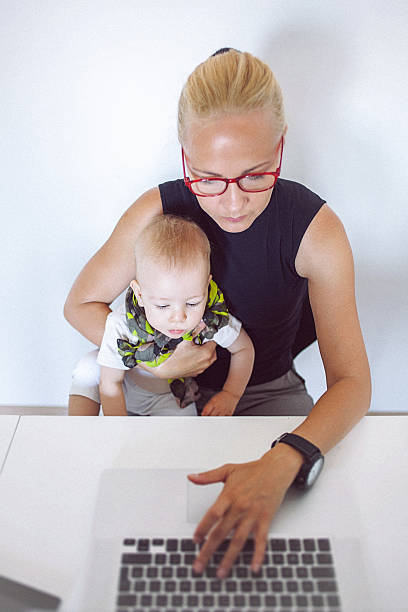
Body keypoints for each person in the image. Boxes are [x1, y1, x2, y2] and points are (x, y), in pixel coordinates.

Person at [64, 48, 371, 578]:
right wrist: (160, 367)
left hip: (266, 390)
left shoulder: (315, 230)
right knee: (130, 531)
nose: (231, 204)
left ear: (280, 146)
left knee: (296, 540)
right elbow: (80, 305)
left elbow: (353, 382)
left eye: (255, 176)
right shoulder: (156, 211)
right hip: (159, 391)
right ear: (184, 157)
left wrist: (286, 457)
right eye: (206, 178)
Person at [97, 214, 254, 416]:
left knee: (184, 438)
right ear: (140, 294)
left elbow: (244, 349)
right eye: (163, 305)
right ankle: (78, 432)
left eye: (192, 302)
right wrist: (119, 434)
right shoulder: (121, 324)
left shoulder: (209, 320)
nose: (179, 317)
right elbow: (110, 385)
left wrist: (230, 394)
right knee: (86, 370)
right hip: (125, 390)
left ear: (206, 288)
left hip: (171, 396)